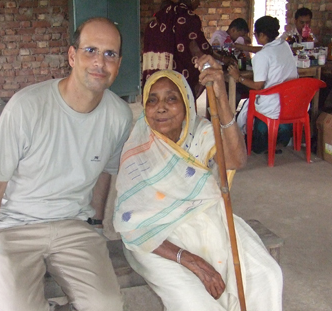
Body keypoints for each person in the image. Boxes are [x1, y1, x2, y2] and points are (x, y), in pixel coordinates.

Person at [0, 17, 133, 311]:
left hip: (74, 226)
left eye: (110, 54)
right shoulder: (26, 107)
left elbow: (105, 173)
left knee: (107, 305)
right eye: (90, 50)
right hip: (15, 229)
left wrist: (97, 225)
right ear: (72, 56)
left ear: (119, 63)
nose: (99, 62)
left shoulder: (119, 117)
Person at [113, 55, 283, 311]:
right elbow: (133, 226)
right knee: (195, 303)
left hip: (210, 220)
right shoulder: (138, 149)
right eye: (152, 100)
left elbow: (236, 160)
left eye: (171, 99)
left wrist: (221, 96)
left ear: (187, 106)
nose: (161, 107)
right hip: (156, 240)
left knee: (265, 276)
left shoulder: (202, 132)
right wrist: (191, 260)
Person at [229, 16, 298, 154]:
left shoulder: (262, 57)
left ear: (261, 34)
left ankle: (249, 141)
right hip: (293, 102)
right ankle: (281, 141)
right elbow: (265, 50)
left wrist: (238, 78)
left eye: (255, 34)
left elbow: (258, 86)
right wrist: (243, 47)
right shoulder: (284, 45)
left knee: (244, 110)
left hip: (272, 105)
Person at [141, 0, 236, 100]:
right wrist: (221, 59)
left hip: (154, 82)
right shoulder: (189, 19)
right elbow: (201, 49)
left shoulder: (153, 23)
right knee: (181, 103)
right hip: (178, 80)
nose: (199, 4)